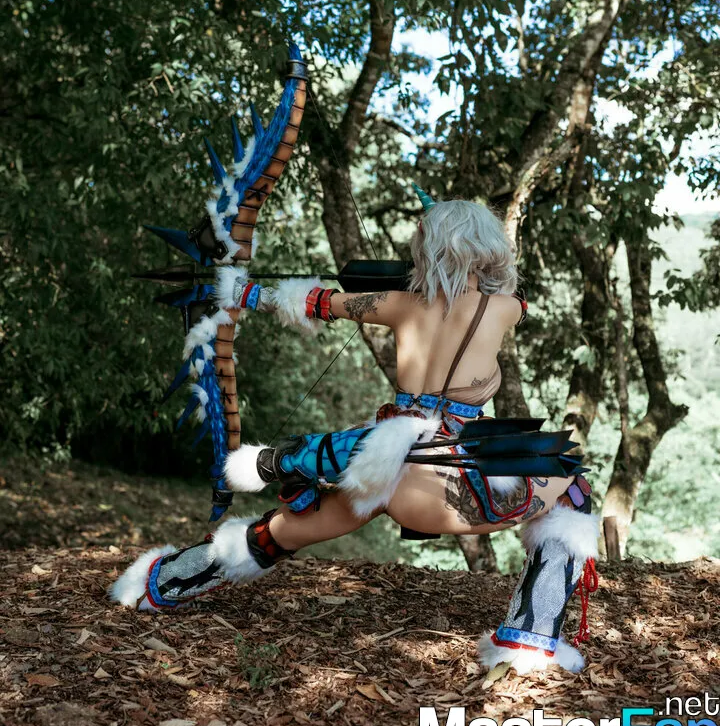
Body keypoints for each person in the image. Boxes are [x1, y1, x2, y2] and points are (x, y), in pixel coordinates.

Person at [111, 192, 599, 674]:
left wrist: (240, 291)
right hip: (446, 476)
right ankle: (529, 640)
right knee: (572, 489)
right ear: (484, 248)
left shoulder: (398, 304)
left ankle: (158, 583)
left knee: (281, 531)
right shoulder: (504, 307)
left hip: (379, 461)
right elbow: (516, 297)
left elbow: (316, 303)